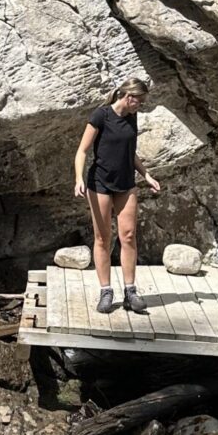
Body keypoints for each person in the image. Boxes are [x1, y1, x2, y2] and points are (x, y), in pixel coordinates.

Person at [73, 76, 161, 314]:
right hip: (99, 183)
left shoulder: (132, 118)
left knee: (129, 235)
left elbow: (130, 153)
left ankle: (130, 291)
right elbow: (81, 151)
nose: (140, 106)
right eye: (139, 101)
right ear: (128, 96)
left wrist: (146, 175)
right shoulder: (101, 115)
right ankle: (105, 291)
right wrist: (78, 179)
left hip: (126, 183)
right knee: (103, 238)